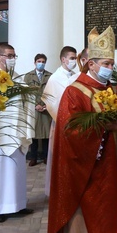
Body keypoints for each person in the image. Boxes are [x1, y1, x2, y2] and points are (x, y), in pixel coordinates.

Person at [46, 26, 117, 233]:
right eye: (106, 63)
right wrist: (104, 127)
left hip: (115, 164)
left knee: (113, 208)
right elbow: (70, 131)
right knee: (93, 209)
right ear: (91, 64)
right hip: (89, 168)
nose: (110, 67)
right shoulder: (74, 92)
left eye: (112, 62)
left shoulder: (112, 90)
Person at [0, 44, 34, 223]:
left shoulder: (18, 78)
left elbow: (27, 101)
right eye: (9, 55)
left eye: (14, 55)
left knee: (16, 170)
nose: (12, 58)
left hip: (15, 131)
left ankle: (17, 204)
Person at [41, 45, 79, 196]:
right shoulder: (55, 78)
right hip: (61, 123)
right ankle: (59, 188)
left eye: (75, 58)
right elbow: (51, 102)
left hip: (75, 123)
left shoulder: (74, 76)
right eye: (71, 58)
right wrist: (65, 118)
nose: (74, 61)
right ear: (63, 59)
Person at [24, 53, 52, 166]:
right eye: (39, 61)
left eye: (43, 61)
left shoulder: (50, 76)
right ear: (35, 62)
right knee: (34, 136)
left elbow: (52, 92)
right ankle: (33, 158)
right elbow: (25, 93)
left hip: (46, 109)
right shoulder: (28, 76)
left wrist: (45, 105)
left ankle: (46, 157)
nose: (41, 63)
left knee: (46, 135)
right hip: (33, 108)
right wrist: (35, 105)